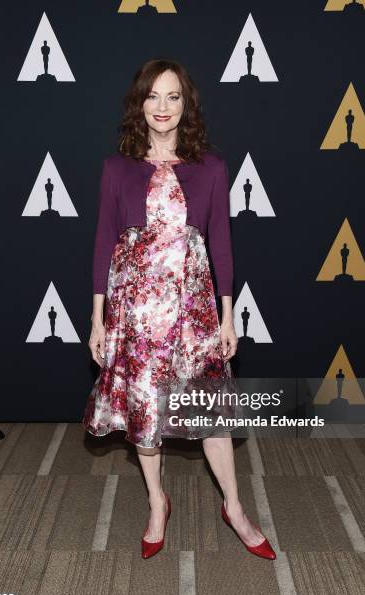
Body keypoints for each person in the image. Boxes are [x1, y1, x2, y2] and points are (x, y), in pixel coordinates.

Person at [83, 58, 275, 561]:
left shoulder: (210, 167)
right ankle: (156, 502)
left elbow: (221, 245)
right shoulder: (115, 168)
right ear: (139, 104)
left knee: (209, 411)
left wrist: (228, 313)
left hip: (193, 310)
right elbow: (104, 243)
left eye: (173, 97)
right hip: (135, 314)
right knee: (145, 412)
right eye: (153, 96)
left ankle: (233, 506)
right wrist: (97, 318)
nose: (162, 107)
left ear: (186, 105)